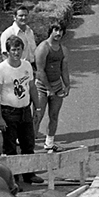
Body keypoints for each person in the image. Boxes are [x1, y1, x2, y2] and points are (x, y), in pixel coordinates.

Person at [0, 36, 44, 184]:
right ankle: (12, 179)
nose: (16, 53)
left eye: (18, 49)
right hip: (8, 112)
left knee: (28, 143)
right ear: (8, 51)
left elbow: (32, 87)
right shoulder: (0, 70)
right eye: (13, 50)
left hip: (25, 110)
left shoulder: (26, 66)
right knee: (10, 147)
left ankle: (29, 174)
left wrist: (37, 107)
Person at [34, 23, 70, 151]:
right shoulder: (43, 48)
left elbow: (64, 70)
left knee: (54, 115)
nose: (58, 33)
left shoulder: (63, 50)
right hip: (42, 87)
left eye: (61, 31)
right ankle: (30, 145)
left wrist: (67, 85)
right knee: (38, 115)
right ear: (51, 31)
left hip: (57, 86)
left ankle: (49, 142)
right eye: (56, 30)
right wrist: (49, 89)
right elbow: (40, 71)